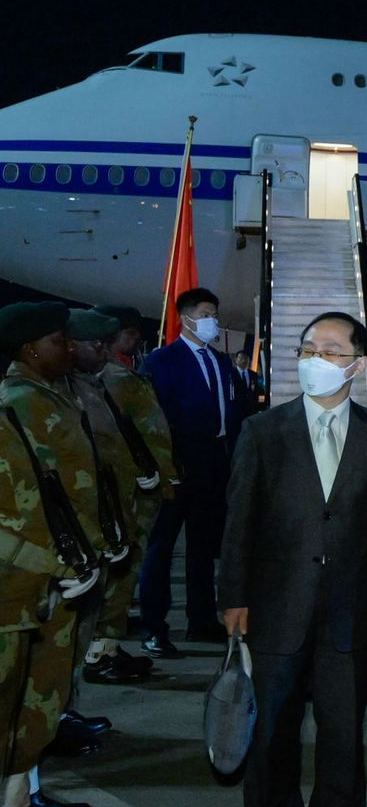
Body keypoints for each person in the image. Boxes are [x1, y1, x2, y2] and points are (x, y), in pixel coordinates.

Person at [219, 311, 367, 807]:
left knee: (342, 735)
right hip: (275, 608)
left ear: (357, 363)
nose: (313, 359)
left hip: (350, 610)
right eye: (306, 348)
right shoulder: (264, 432)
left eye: (329, 349)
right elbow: (239, 523)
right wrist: (233, 597)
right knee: (271, 736)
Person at [0, 301, 115, 807]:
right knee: (27, 696)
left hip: (62, 569)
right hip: (31, 580)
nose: (68, 347)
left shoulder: (52, 393)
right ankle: (13, 806)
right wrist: (54, 565)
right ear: (29, 349)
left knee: (40, 695)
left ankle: (22, 796)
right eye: (57, 341)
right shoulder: (18, 402)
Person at [139, 287, 240, 655]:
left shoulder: (222, 363)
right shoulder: (160, 362)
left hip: (214, 466)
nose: (213, 320)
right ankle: (153, 627)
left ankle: (201, 620)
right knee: (161, 549)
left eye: (215, 313)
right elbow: (149, 420)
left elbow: (236, 412)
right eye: (206, 313)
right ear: (186, 317)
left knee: (203, 548)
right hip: (175, 467)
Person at [62, 309, 157, 688]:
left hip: (119, 501)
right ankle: (98, 655)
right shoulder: (66, 391)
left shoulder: (92, 384)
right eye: (96, 343)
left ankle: (103, 650)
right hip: (94, 511)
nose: (105, 349)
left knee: (117, 580)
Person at [90, 304, 177, 682]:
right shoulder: (112, 378)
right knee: (120, 571)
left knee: (125, 570)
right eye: (128, 335)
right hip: (127, 491)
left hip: (131, 488)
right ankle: (99, 653)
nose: (135, 341)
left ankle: (106, 648)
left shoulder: (114, 374)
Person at [233, 349, 263, 418]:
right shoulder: (231, 374)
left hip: (251, 411)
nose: (244, 360)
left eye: (246, 358)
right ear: (236, 360)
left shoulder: (253, 374)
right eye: (241, 358)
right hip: (236, 410)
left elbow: (256, 393)